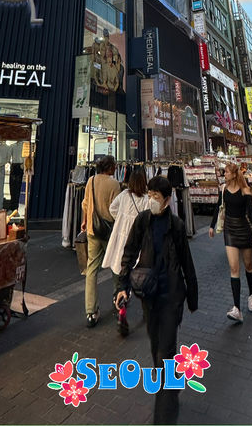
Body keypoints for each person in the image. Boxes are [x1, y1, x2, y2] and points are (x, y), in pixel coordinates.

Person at [116, 176, 198, 425]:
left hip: (172, 294)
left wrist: (192, 295)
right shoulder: (143, 221)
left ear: (167, 200)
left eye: (156, 196)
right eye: (149, 195)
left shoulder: (176, 225)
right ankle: (169, 383)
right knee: (156, 346)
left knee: (166, 348)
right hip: (149, 293)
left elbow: (186, 260)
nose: (151, 199)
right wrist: (122, 286)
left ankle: (165, 412)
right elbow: (129, 252)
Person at [209, 161, 252, 323]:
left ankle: (251, 296)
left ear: (233, 174)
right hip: (229, 230)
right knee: (233, 267)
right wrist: (211, 226)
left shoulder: (245, 190)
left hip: (244, 229)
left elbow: (251, 212)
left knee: (248, 265)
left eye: (226, 172)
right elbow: (219, 207)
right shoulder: (223, 190)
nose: (224, 174)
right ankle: (236, 308)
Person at [102, 167, 149, 333]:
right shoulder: (146, 199)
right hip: (137, 242)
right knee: (139, 276)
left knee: (119, 275)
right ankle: (145, 309)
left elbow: (112, 209)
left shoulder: (124, 196)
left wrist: (121, 219)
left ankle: (120, 305)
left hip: (120, 239)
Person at [80, 155, 120, 328]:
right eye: (114, 166)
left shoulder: (90, 181)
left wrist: (84, 221)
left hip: (92, 230)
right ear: (109, 167)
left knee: (91, 270)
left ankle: (91, 311)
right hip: (110, 231)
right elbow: (116, 209)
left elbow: (85, 204)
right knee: (115, 265)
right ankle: (118, 297)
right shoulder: (115, 184)